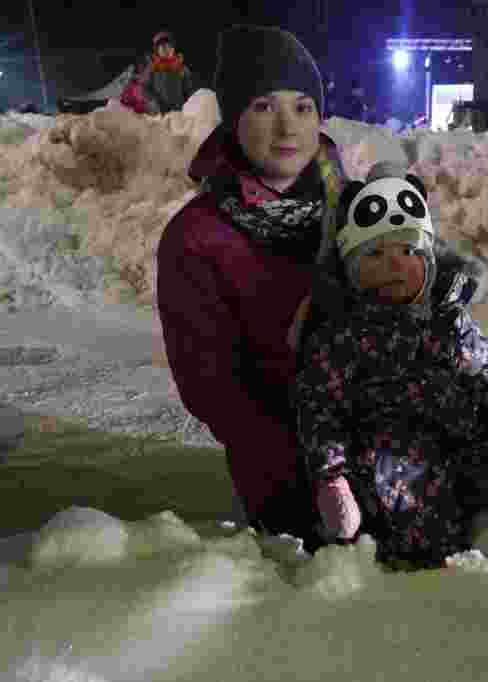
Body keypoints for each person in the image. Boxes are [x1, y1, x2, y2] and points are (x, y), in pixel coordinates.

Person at [156, 25, 346, 552]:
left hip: (390, 458)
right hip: (282, 476)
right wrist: (308, 462)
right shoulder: (197, 237)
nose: (287, 126)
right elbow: (212, 383)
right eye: (264, 106)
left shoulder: (356, 208)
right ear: (234, 115)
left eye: (303, 106)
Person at [291, 164, 488, 568]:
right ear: (352, 270)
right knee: (363, 533)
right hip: (376, 469)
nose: (393, 265)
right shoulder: (341, 336)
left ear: (430, 261)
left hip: (455, 463)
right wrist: (333, 478)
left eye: (408, 252)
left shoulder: (450, 323)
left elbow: (487, 382)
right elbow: (319, 408)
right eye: (375, 255)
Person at [143, 30, 197, 114]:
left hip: (178, 112)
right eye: (161, 47)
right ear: (157, 51)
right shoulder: (152, 68)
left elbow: (189, 90)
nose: (165, 49)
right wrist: (153, 101)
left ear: (173, 48)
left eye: (167, 46)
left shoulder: (182, 68)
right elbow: (145, 88)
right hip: (158, 113)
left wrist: (190, 106)